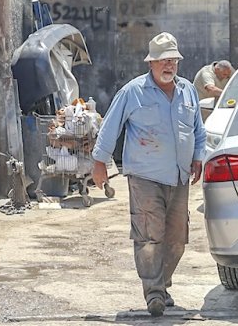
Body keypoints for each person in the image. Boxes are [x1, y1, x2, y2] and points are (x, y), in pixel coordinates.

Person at [91, 32, 206, 317]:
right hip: (144, 176)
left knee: (177, 239)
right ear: (151, 63)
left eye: (173, 61)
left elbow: (198, 131)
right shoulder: (133, 91)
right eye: (163, 61)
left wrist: (198, 157)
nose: (169, 66)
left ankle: (163, 283)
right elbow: (111, 127)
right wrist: (99, 162)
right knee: (149, 235)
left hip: (179, 176)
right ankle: (153, 293)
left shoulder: (188, 90)